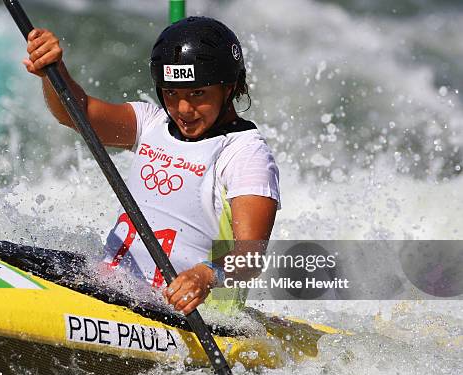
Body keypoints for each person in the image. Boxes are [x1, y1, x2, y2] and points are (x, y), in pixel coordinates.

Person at [22, 16, 280, 315]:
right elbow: (76, 113)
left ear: (229, 88)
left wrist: (205, 275)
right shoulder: (150, 123)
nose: (183, 109)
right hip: (113, 290)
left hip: (182, 315)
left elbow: (250, 257)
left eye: (198, 94)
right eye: (172, 93)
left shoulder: (246, 154)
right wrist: (53, 71)